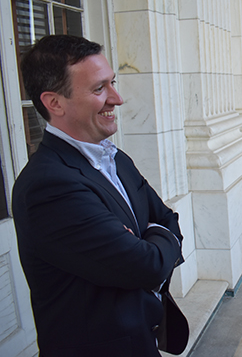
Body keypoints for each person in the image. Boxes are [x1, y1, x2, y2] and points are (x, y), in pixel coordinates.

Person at [12, 35, 186, 357]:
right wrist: (155, 243)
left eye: (112, 83)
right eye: (98, 89)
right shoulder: (48, 186)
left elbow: (167, 219)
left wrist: (151, 235)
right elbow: (146, 266)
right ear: (55, 103)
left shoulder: (114, 157)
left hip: (142, 340)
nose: (117, 99)